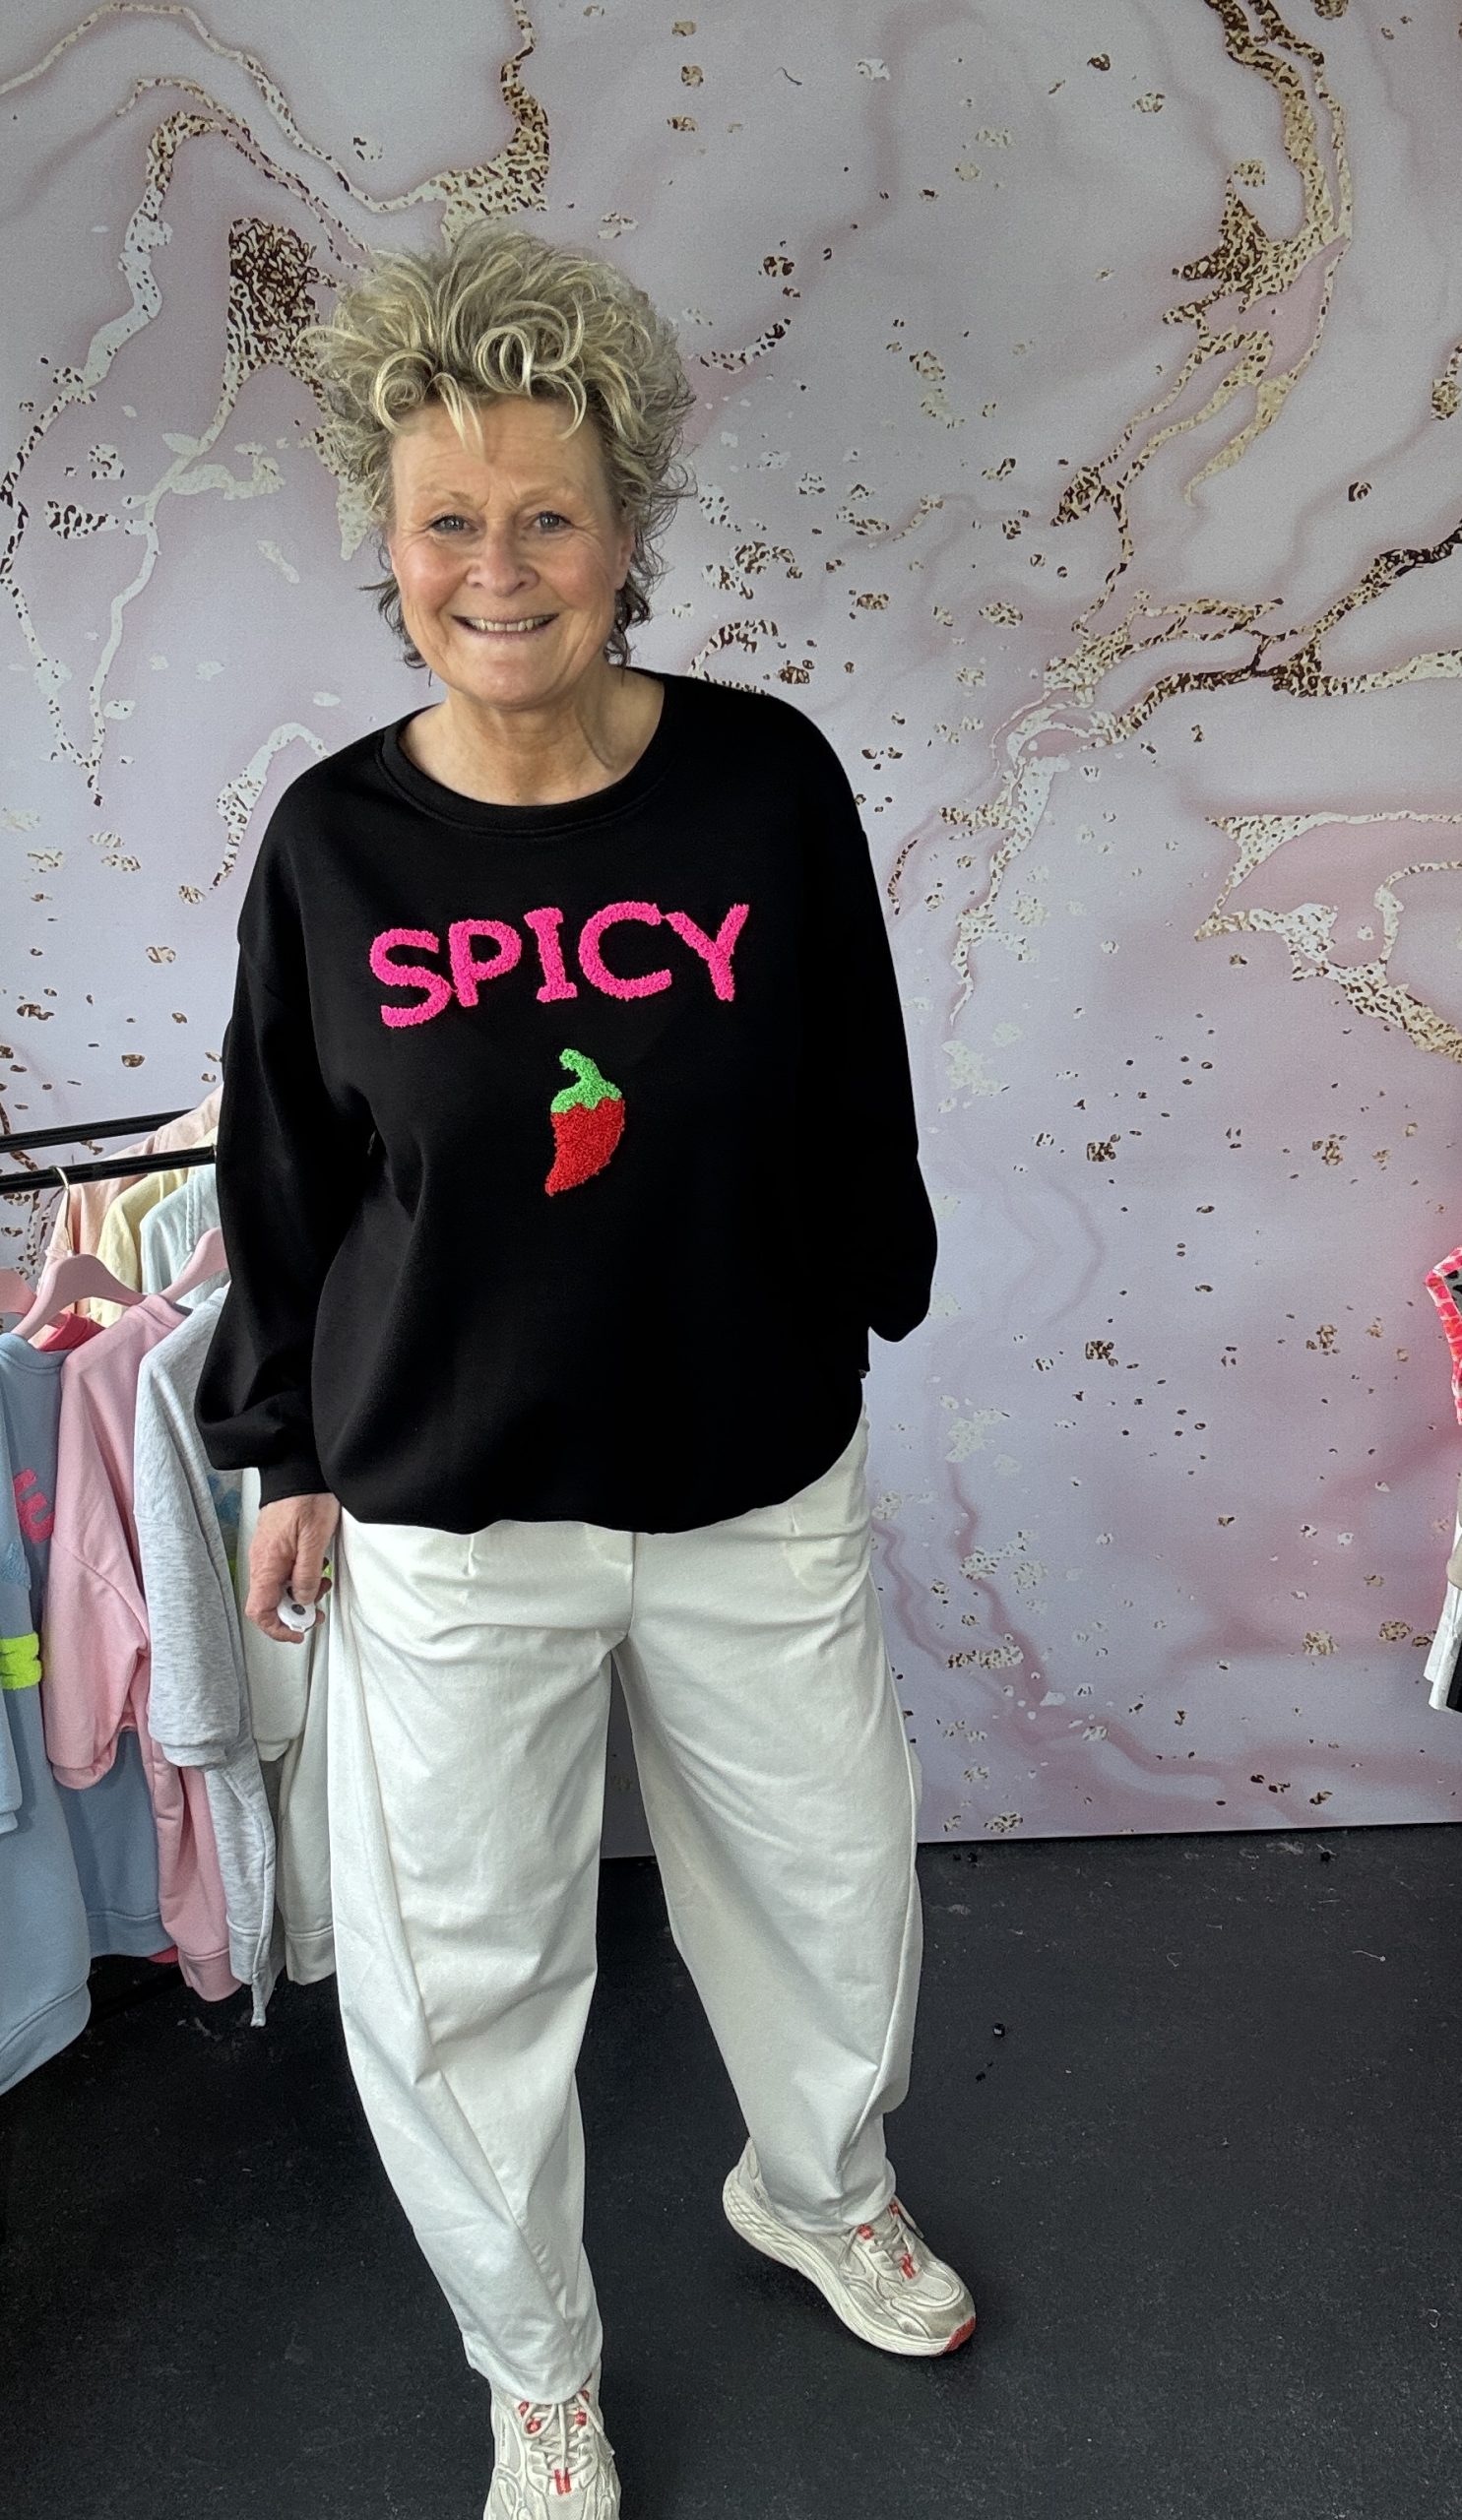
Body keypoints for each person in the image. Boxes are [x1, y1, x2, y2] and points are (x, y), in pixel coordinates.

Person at [195, 219, 975, 2519]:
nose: (497, 568)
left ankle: (816, 2184)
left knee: (831, 1888)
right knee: (463, 1971)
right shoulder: (335, 841)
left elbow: (847, 1073)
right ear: (390, 545)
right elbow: (281, 1165)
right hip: (452, 1497)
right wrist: (283, 1447)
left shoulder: (760, 779)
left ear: (627, 532)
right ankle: (535, 2360)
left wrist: (873, 1284)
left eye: (546, 514)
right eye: (448, 519)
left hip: (750, 1462)